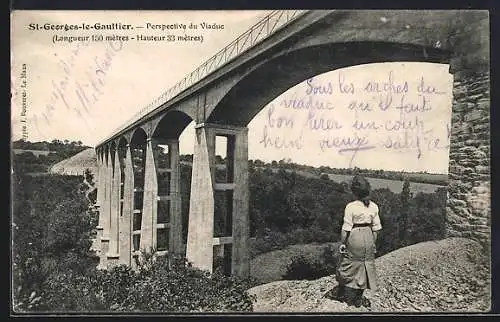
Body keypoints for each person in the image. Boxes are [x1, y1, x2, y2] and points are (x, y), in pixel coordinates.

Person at [335, 175, 382, 307]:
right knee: (365, 264)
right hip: (368, 236)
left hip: (355, 235)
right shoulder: (373, 206)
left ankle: (342, 290)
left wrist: (343, 243)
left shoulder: (351, 206)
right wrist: (373, 244)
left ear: (354, 192)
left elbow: (346, 228)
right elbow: (376, 228)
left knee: (346, 262)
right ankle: (358, 296)